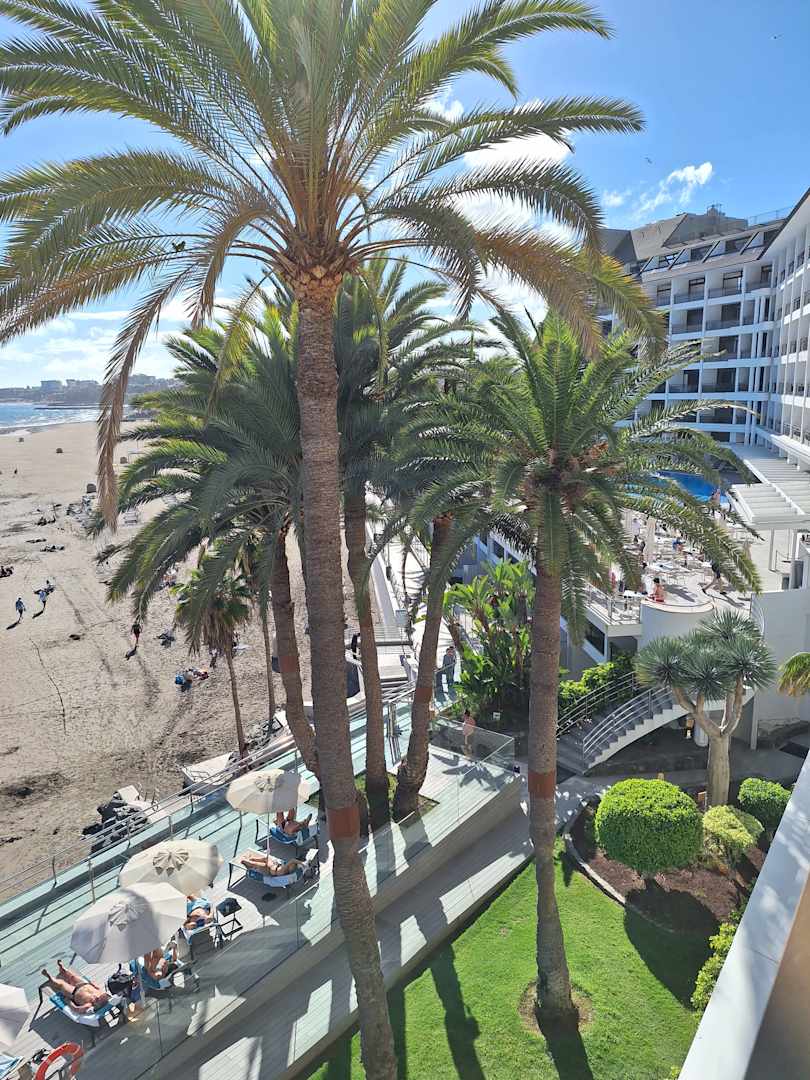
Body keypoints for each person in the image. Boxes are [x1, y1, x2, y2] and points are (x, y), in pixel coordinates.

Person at [40, 961, 110, 1014]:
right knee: (72, 976)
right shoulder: (101, 994)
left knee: (62, 984)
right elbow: (97, 988)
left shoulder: (88, 1005)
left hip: (74, 992)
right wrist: (91, 983)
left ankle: (50, 977)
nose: (98, 997)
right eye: (100, 998)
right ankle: (62, 969)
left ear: (96, 1005)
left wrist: (68, 1001)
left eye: (98, 1000)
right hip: (84, 984)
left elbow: (76, 1009)